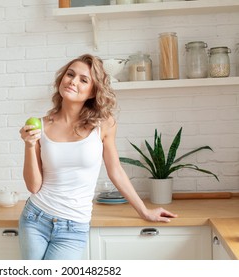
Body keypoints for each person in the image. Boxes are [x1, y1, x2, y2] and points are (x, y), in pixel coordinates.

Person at [18, 54, 177, 260]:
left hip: (73, 226)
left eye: (84, 80)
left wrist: (144, 211)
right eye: (70, 74)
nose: (73, 81)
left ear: (93, 91)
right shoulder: (41, 125)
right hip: (35, 217)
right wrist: (29, 145)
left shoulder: (104, 124)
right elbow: (33, 187)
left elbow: (115, 171)